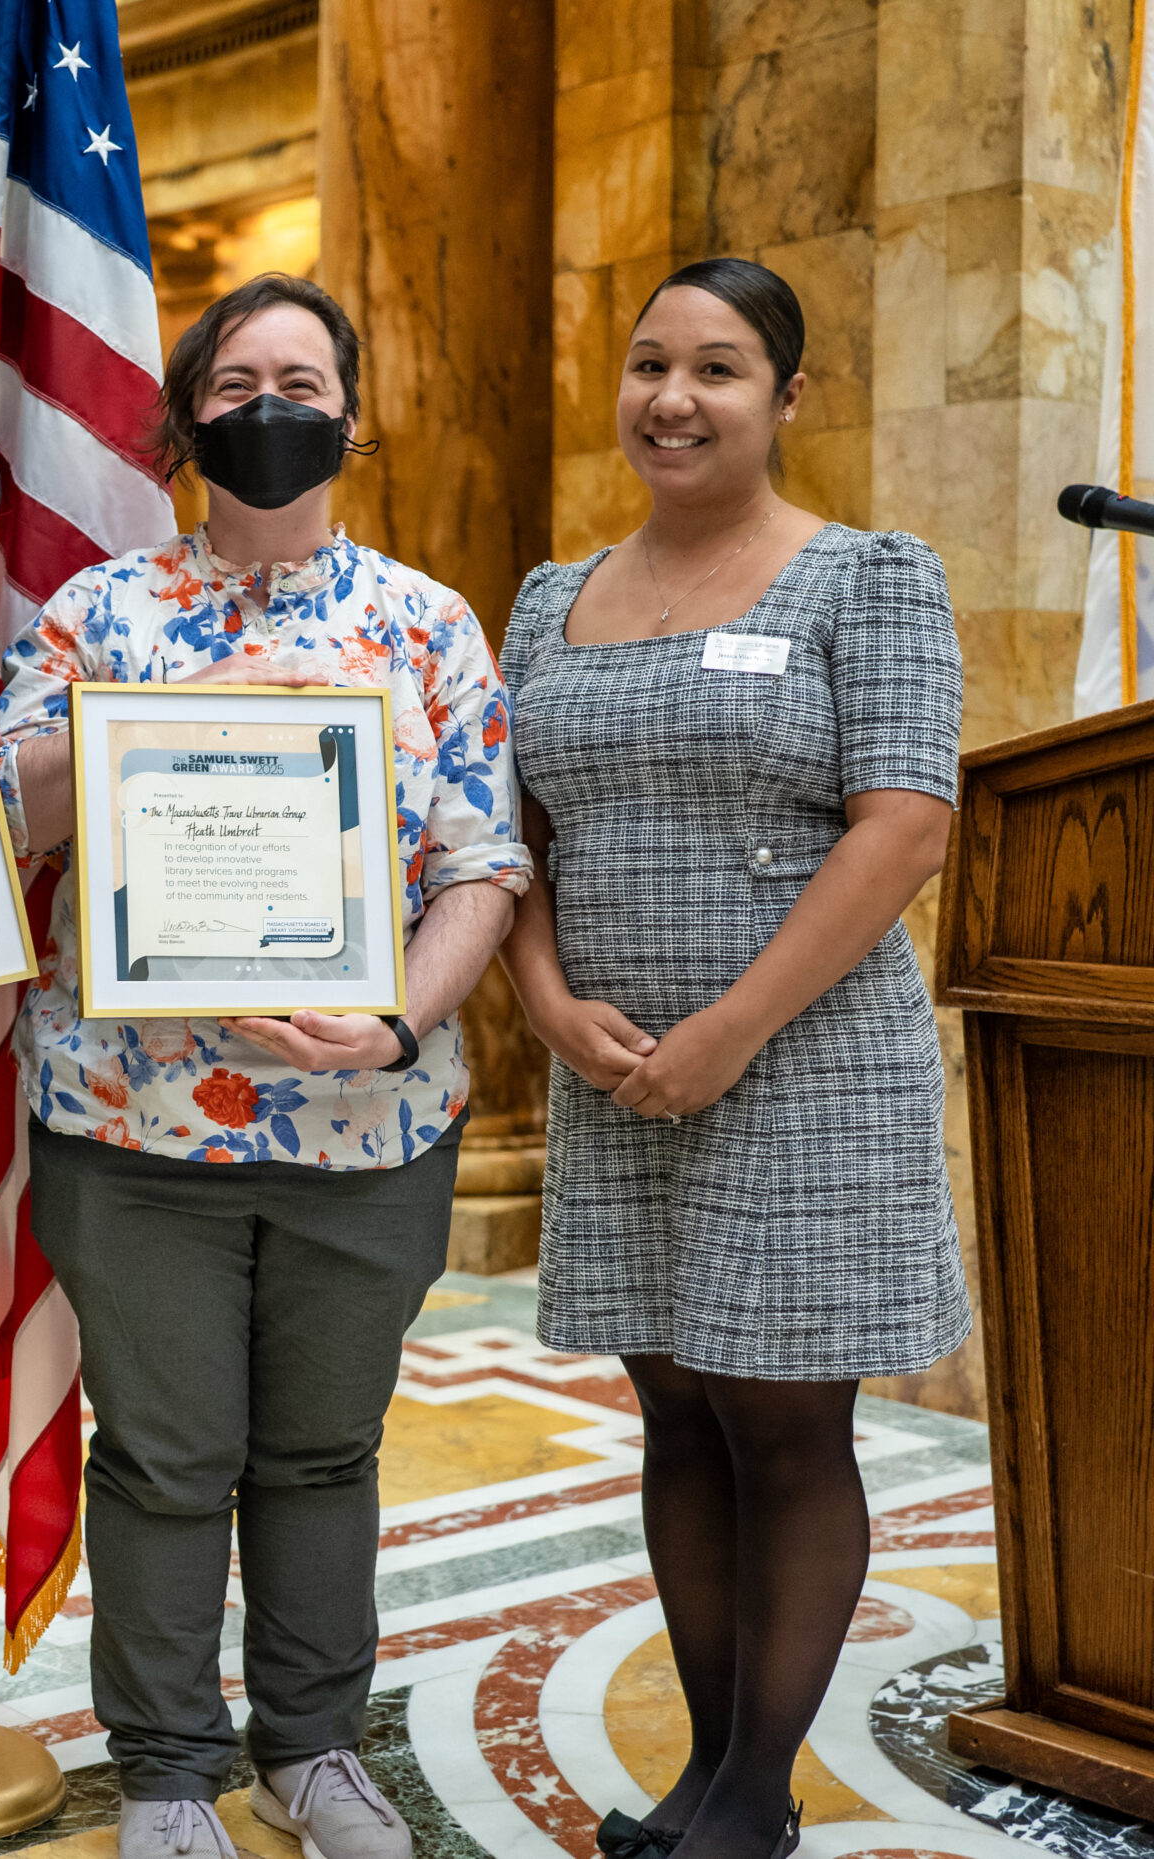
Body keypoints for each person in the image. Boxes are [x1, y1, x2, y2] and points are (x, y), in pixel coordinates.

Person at [0, 274, 530, 1859]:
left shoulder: (427, 622)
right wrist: (154, 715)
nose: (271, 406)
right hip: (132, 1118)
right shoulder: (100, 613)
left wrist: (400, 1016)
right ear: (187, 415)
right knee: (164, 1455)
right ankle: (166, 1767)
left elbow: (483, 867)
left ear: (352, 417)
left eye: (303, 378)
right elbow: (10, 816)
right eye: (237, 381)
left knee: (321, 1451)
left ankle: (313, 1749)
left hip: (369, 1124)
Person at [496, 257, 966, 1859]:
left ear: (787, 396)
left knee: (782, 1420)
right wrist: (549, 1004)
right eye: (647, 366)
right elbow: (510, 839)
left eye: (716, 369)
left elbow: (905, 825)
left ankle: (754, 1799)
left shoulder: (869, 578)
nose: (673, 398)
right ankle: (706, 1771)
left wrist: (729, 1028)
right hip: (617, 1073)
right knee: (675, 1410)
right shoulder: (549, 599)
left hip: (804, 1065)